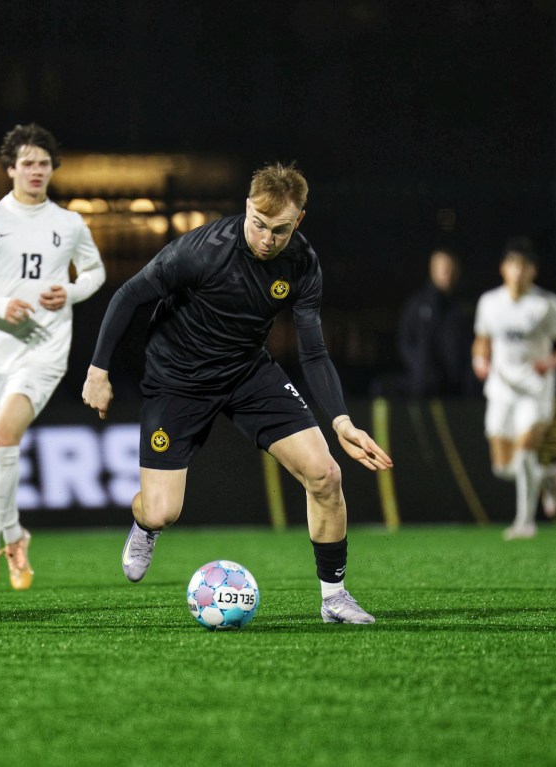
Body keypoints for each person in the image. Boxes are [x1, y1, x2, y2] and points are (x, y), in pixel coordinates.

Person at [82, 161, 393, 625]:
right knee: (163, 510)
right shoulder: (202, 251)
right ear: (247, 208)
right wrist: (98, 370)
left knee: (326, 474)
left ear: (299, 221)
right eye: (259, 225)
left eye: (281, 230)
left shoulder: (303, 263)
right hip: (177, 379)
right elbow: (129, 295)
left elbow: (312, 352)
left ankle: (334, 599)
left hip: (247, 372)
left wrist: (341, 420)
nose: (267, 239)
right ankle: (145, 525)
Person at [0, 123, 105, 590]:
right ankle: (17, 537)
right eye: (27, 163)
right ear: (11, 169)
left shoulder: (69, 223)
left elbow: (94, 272)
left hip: (46, 349)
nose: (36, 170)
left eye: (43, 163)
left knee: (4, 436)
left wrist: (71, 292)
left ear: (52, 169)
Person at [472, 237, 556, 540]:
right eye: (512, 265)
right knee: (502, 467)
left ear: (533, 271)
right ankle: (548, 476)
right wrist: (480, 360)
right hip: (501, 389)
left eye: (524, 266)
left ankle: (524, 522)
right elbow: (482, 339)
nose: (518, 272)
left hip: (535, 388)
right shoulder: (489, 303)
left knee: (523, 457)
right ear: (503, 269)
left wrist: (552, 362)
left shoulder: (545, 304)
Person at [397, 247, 475, 397]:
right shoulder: (418, 305)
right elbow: (405, 341)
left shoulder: (467, 305)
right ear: (432, 270)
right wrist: (420, 367)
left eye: (450, 268)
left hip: (460, 385)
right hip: (425, 385)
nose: (447, 273)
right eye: (442, 268)